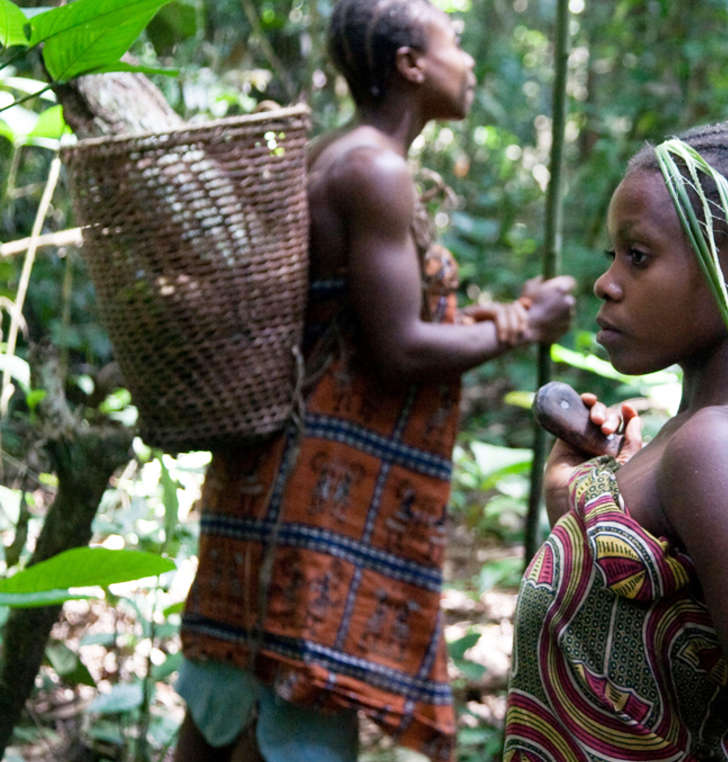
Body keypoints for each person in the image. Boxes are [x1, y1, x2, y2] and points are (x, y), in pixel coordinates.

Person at [174, 1, 576, 760]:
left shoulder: (334, 153)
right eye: (454, 43)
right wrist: (522, 323)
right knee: (289, 718)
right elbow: (397, 348)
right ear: (409, 66)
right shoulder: (374, 168)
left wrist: (494, 314)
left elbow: (348, 322)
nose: (470, 61)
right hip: (313, 500)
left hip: (270, 484)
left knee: (225, 715)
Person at [503, 122, 728, 761]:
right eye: (614, 256)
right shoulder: (700, 434)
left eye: (637, 256)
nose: (605, 283)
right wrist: (583, 500)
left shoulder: (717, 449)